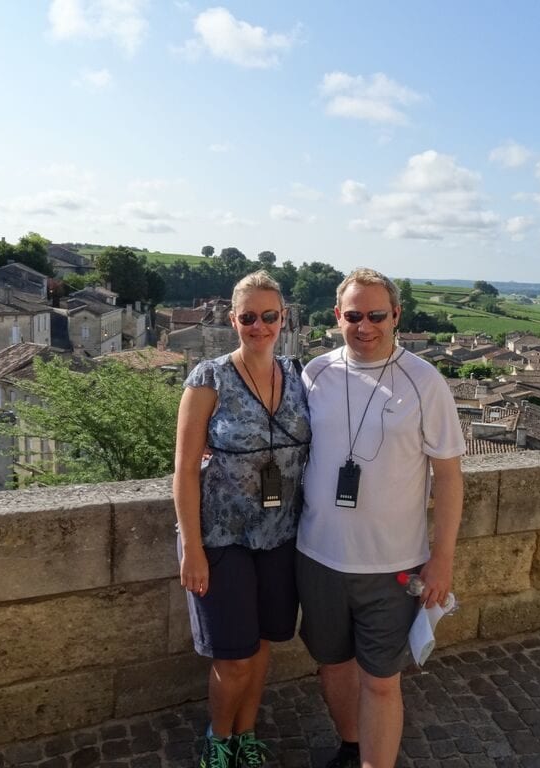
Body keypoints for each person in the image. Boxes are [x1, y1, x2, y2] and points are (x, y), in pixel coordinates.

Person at [297, 268, 466, 768]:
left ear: (396, 316)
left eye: (376, 315)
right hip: (318, 557)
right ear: (337, 317)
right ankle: (352, 745)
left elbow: (450, 478)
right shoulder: (315, 374)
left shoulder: (425, 381)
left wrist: (442, 560)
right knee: (331, 665)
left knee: (381, 681)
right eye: (353, 315)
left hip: (394, 564)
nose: (364, 326)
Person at [173, 271, 311, 768]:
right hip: (220, 538)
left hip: (281, 538)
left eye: (268, 316)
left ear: (283, 318)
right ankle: (218, 738)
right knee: (232, 658)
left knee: (263, 647)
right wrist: (192, 547)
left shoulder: (298, 374)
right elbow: (185, 469)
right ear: (233, 320)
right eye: (248, 317)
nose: (259, 326)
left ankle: (247, 732)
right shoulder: (209, 378)